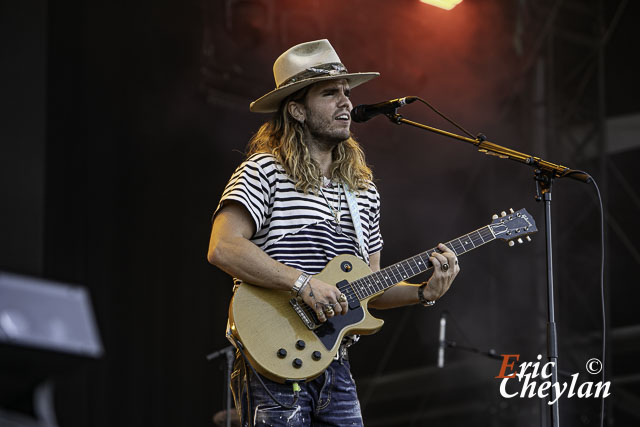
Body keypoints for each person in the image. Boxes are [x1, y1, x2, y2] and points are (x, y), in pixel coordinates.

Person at [207, 39, 460, 426]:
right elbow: (223, 247)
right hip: (273, 357)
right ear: (296, 109)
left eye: (346, 91)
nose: (346, 102)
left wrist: (423, 293)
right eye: (329, 93)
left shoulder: (364, 191)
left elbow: (369, 289)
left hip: (332, 362)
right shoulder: (265, 170)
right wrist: (303, 283)